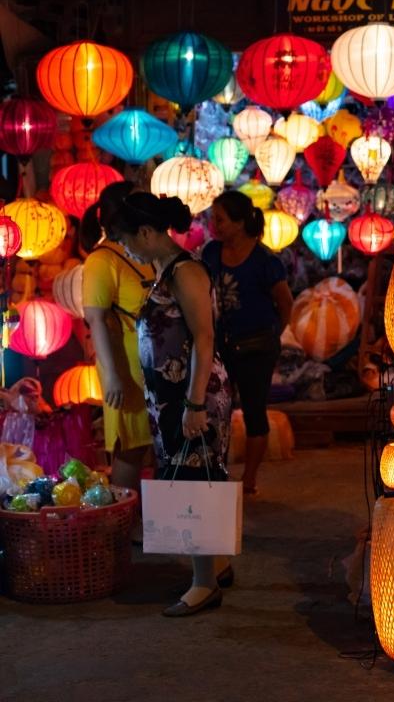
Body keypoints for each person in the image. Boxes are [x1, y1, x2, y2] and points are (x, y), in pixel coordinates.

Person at [109, 191, 233, 617]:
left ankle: (204, 583)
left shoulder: (186, 271)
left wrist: (195, 403)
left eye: (125, 240)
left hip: (192, 395)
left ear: (146, 232)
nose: (125, 248)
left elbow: (203, 337)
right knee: (190, 474)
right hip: (170, 397)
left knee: (196, 479)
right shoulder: (164, 270)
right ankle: (213, 565)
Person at [202, 191, 292, 497]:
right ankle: (218, 471)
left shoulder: (266, 260)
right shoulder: (211, 253)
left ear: (240, 223)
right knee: (217, 411)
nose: (214, 225)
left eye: (220, 219)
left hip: (256, 347)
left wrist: (272, 335)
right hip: (219, 345)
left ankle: (249, 478)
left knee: (254, 411)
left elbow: (285, 302)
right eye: (213, 219)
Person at [80, 182, 155, 500]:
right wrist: (111, 375)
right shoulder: (101, 260)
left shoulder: (145, 251)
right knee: (130, 445)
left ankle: (155, 520)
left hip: (155, 361)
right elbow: (96, 318)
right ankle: (124, 523)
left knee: (153, 442)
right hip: (124, 362)